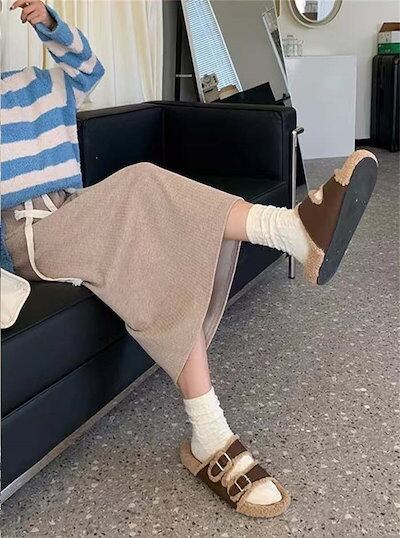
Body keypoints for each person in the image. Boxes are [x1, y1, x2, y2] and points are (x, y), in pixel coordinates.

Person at [1, 0, 378, 519]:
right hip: (30, 237)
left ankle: (209, 435)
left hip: (73, 210)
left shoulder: (44, 85)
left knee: (163, 261)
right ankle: (289, 229)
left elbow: (89, 67)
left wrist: (48, 22)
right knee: (140, 181)